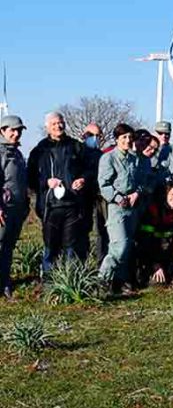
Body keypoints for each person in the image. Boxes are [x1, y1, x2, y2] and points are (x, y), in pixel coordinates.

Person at [28, 111, 88, 276]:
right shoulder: (40, 150)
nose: (58, 126)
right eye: (54, 124)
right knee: (50, 245)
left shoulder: (76, 146)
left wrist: (83, 179)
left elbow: (89, 169)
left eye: (60, 122)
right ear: (47, 127)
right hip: (49, 206)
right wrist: (46, 182)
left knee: (71, 245)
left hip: (72, 205)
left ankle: (69, 280)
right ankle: (49, 281)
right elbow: (30, 179)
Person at [98, 124, 146, 294]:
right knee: (120, 245)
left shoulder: (134, 159)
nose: (127, 140)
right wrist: (118, 198)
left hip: (132, 207)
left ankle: (120, 282)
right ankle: (102, 281)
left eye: (129, 137)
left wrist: (136, 194)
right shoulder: (108, 158)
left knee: (128, 246)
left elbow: (141, 181)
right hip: (116, 207)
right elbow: (104, 184)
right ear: (117, 139)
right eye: (124, 137)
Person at [0, 115, 29, 299]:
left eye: (19, 130)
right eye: (12, 130)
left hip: (17, 208)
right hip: (3, 209)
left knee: (8, 247)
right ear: (2, 131)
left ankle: (4, 282)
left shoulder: (17, 153)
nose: (16, 133)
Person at [137, 182, 173, 286]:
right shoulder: (154, 211)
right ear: (165, 194)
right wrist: (154, 264)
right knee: (157, 283)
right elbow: (145, 241)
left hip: (168, 252)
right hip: (151, 253)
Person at [79, 123, 108, 262]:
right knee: (82, 230)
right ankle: (82, 262)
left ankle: (101, 262)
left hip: (100, 197)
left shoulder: (102, 155)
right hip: (82, 197)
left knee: (102, 230)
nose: (94, 138)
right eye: (91, 135)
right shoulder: (77, 153)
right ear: (84, 136)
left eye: (98, 135)